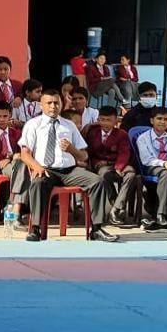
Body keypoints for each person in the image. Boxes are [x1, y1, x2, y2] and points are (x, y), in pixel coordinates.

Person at [18, 89, 115, 242]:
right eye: (49, 103)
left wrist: (71, 149)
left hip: (69, 171)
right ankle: (36, 229)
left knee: (97, 181)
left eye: (56, 103)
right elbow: (25, 153)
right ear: (41, 105)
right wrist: (36, 167)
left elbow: (84, 155)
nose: (53, 106)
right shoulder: (33, 124)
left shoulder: (68, 125)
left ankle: (96, 229)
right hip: (46, 169)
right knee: (37, 184)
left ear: (62, 104)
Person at [83, 105, 137, 226]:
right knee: (104, 175)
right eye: (102, 119)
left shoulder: (122, 134)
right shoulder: (93, 133)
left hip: (118, 162)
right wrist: (94, 164)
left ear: (115, 121)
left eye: (109, 120)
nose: (105, 123)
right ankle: (116, 205)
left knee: (130, 174)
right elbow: (89, 153)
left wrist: (119, 167)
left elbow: (124, 153)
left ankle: (116, 208)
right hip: (101, 165)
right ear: (98, 120)